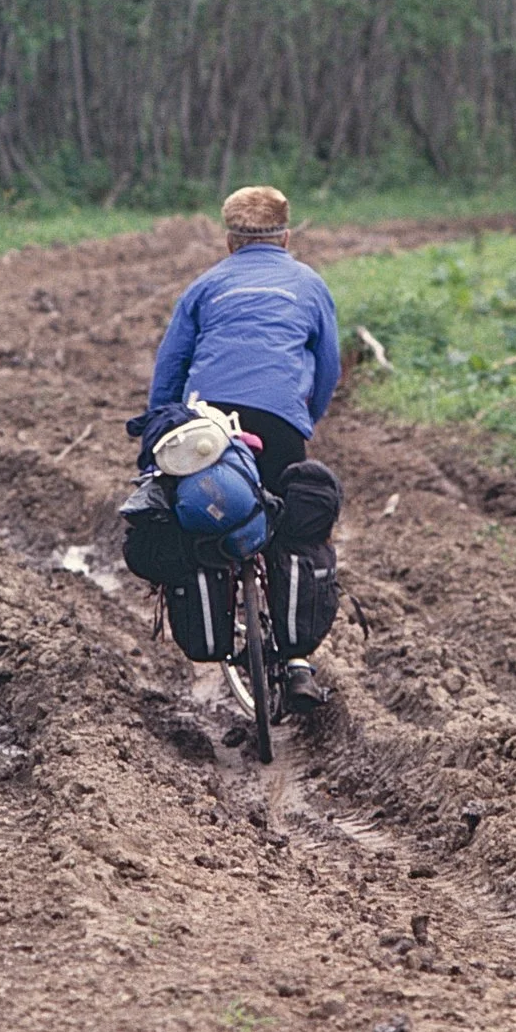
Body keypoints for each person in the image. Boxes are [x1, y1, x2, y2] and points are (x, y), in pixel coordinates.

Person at [148, 185, 341, 705]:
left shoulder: (205, 286)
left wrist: (159, 436)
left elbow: (170, 368)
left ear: (230, 241)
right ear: (286, 236)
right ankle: (297, 662)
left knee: (202, 515)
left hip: (208, 425)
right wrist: (304, 418)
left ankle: (215, 608)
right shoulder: (310, 285)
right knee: (290, 527)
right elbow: (328, 367)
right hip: (280, 422)